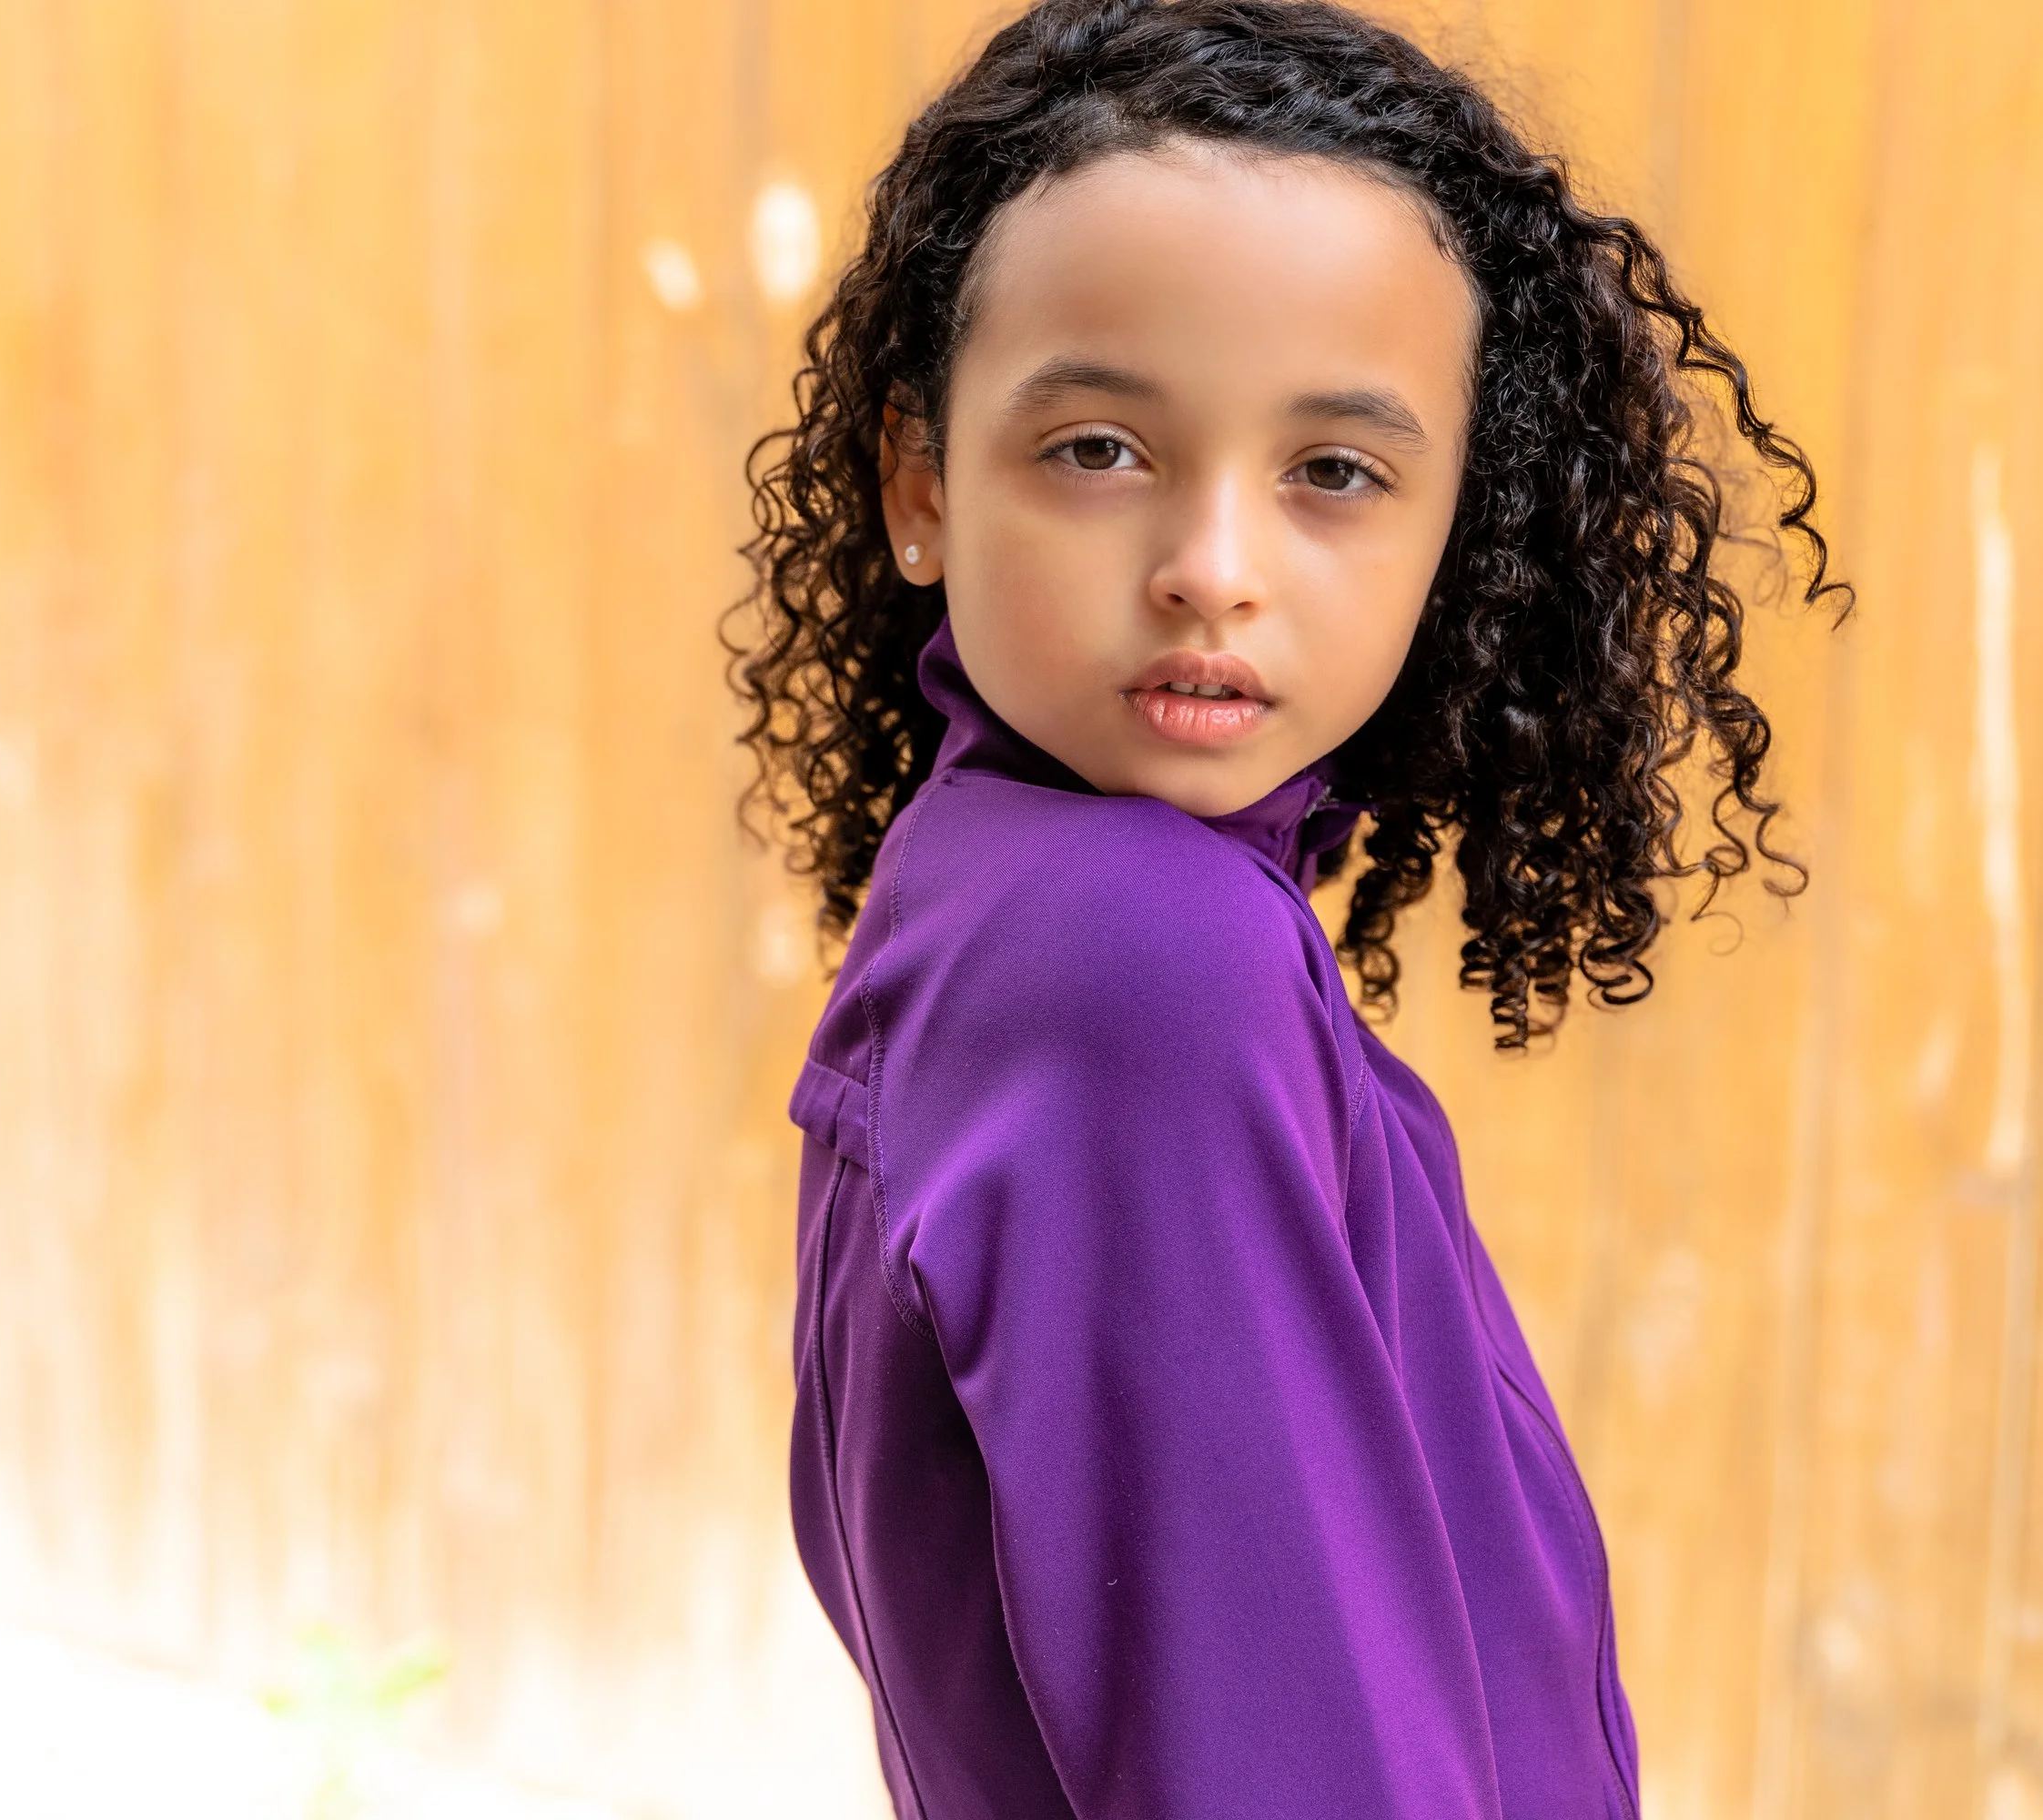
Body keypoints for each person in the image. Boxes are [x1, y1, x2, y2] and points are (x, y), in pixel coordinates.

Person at [722, 2, 1848, 1815]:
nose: (1210, 572)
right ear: (918, 483)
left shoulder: (1023, 901)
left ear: (1450, 529)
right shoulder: (1138, 963)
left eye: (1332, 472)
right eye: (1097, 447)